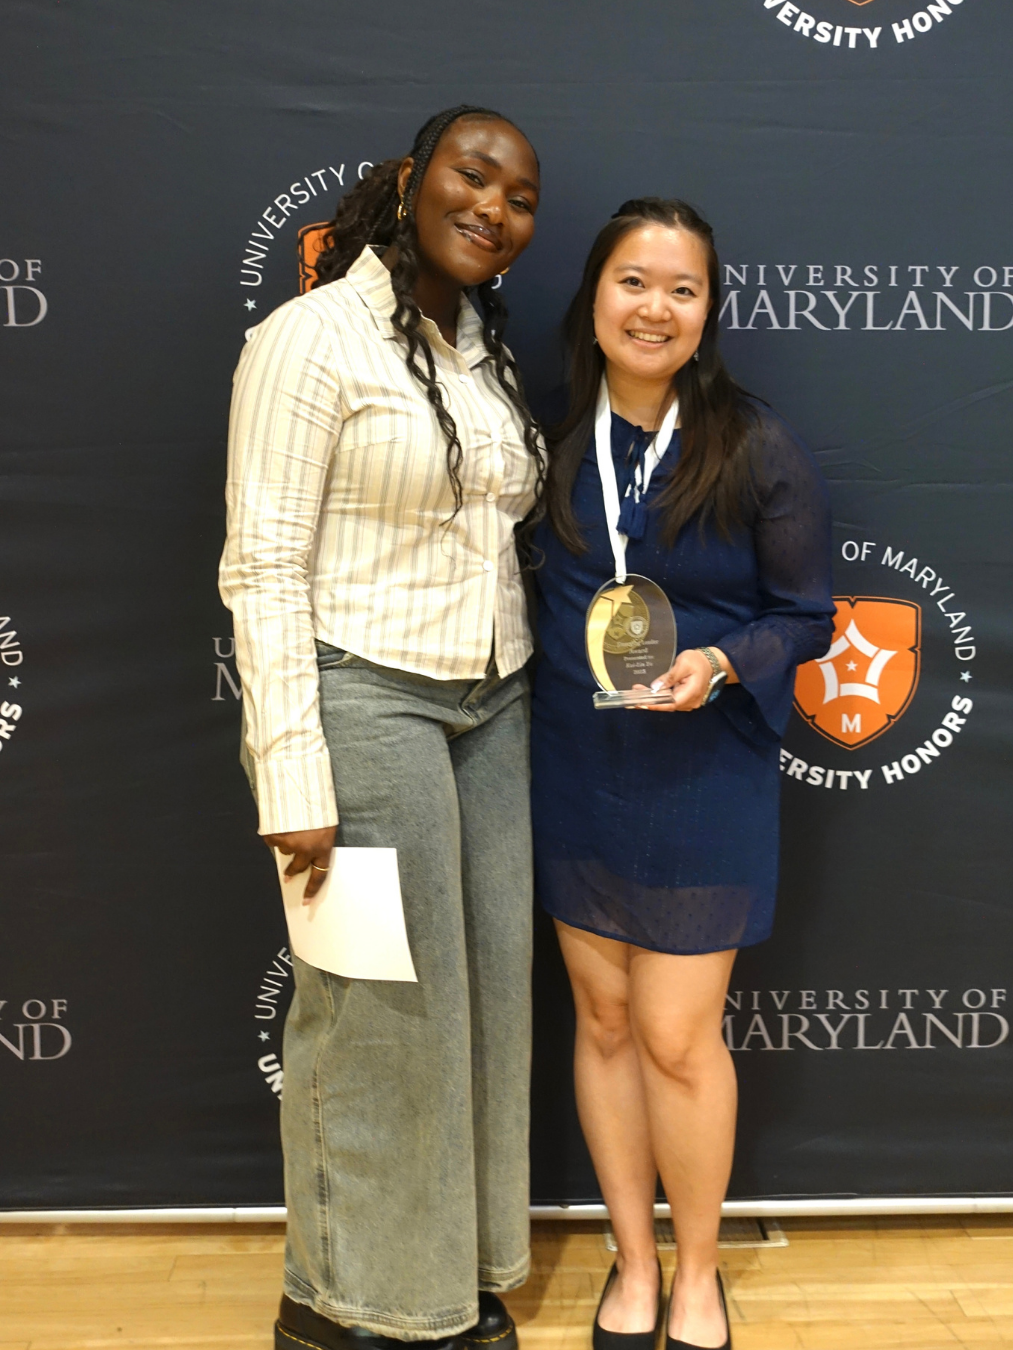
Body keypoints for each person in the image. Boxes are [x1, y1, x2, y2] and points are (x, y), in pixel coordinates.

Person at [219, 105, 543, 1350]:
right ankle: (339, 1302)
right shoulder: (310, 337)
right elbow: (263, 565)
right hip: (362, 697)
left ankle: (443, 1273)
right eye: (474, 175)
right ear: (412, 180)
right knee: (374, 1012)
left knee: (482, 1002)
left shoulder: (483, 351)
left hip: (493, 702)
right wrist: (291, 772)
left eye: (520, 198)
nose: (494, 208)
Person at [529, 199, 834, 1350]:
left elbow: (806, 617)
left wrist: (720, 661)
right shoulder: (552, 438)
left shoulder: (754, 445)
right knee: (605, 1022)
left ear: (708, 314)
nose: (654, 308)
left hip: (705, 772)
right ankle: (633, 1263)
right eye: (633, 282)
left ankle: (699, 1274)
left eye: (682, 289)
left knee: (674, 1036)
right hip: (577, 767)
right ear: (594, 299)